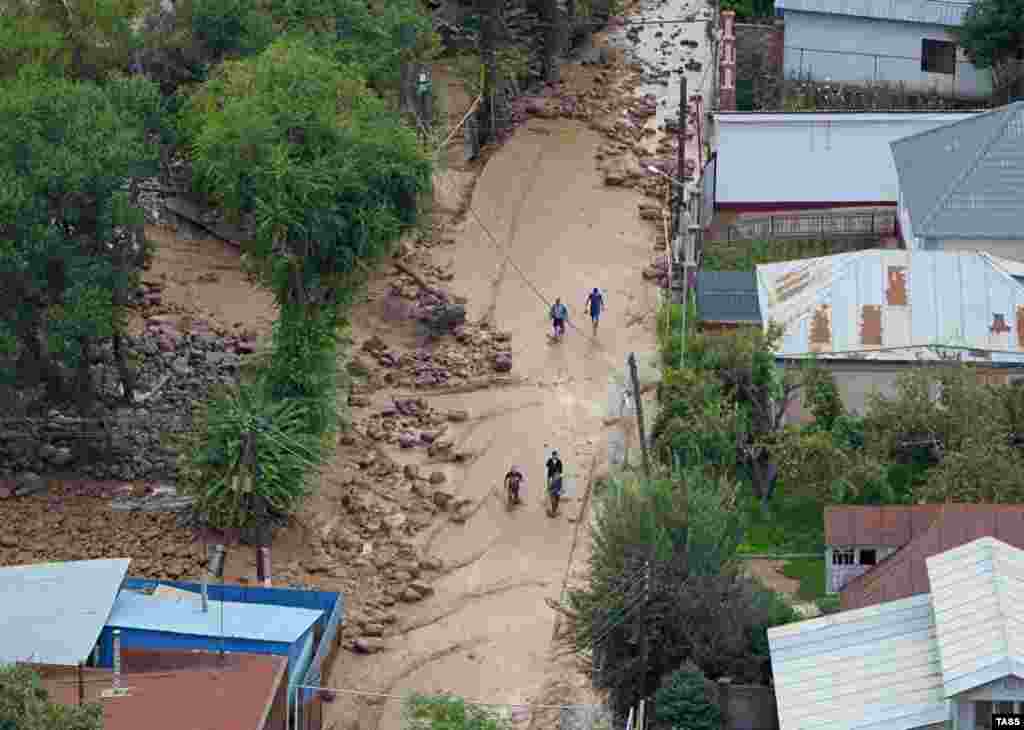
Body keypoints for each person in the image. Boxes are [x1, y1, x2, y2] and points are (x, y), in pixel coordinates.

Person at [545, 449, 564, 516]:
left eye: (555, 455)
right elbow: (547, 466)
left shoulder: (559, 462)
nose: (554, 456)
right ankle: (553, 509)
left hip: (557, 477)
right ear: (552, 455)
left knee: (557, 496)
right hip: (550, 476)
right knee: (551, 491)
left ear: (557, 456)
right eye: (553, 455)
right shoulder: (550, 460)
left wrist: (559, 475)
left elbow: (561, 471)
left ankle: (554, 509)